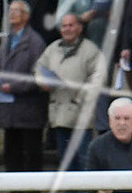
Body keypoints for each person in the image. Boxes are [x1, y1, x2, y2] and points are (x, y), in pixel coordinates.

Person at [38, 12, 104, 171]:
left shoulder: (91, 50)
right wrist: (43, 83)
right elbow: (39, 69)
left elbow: (99, 78)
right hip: (58, 115)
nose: (67, 29)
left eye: (71, 25)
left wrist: (78, 93)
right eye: (64, 26)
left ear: (80, 28)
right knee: (65, 162)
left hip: (81, 115)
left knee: (83, 160)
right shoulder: (52, 49)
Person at [0, 0, 49, 171]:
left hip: (29, 111)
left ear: (26, 16)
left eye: (16, 11)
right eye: (10, 10)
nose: (11, 14)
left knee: (32, 156)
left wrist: (13, 86)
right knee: (11, 155)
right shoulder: (7, 40)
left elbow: (37, 75)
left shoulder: (35, 42)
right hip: (9, 110)